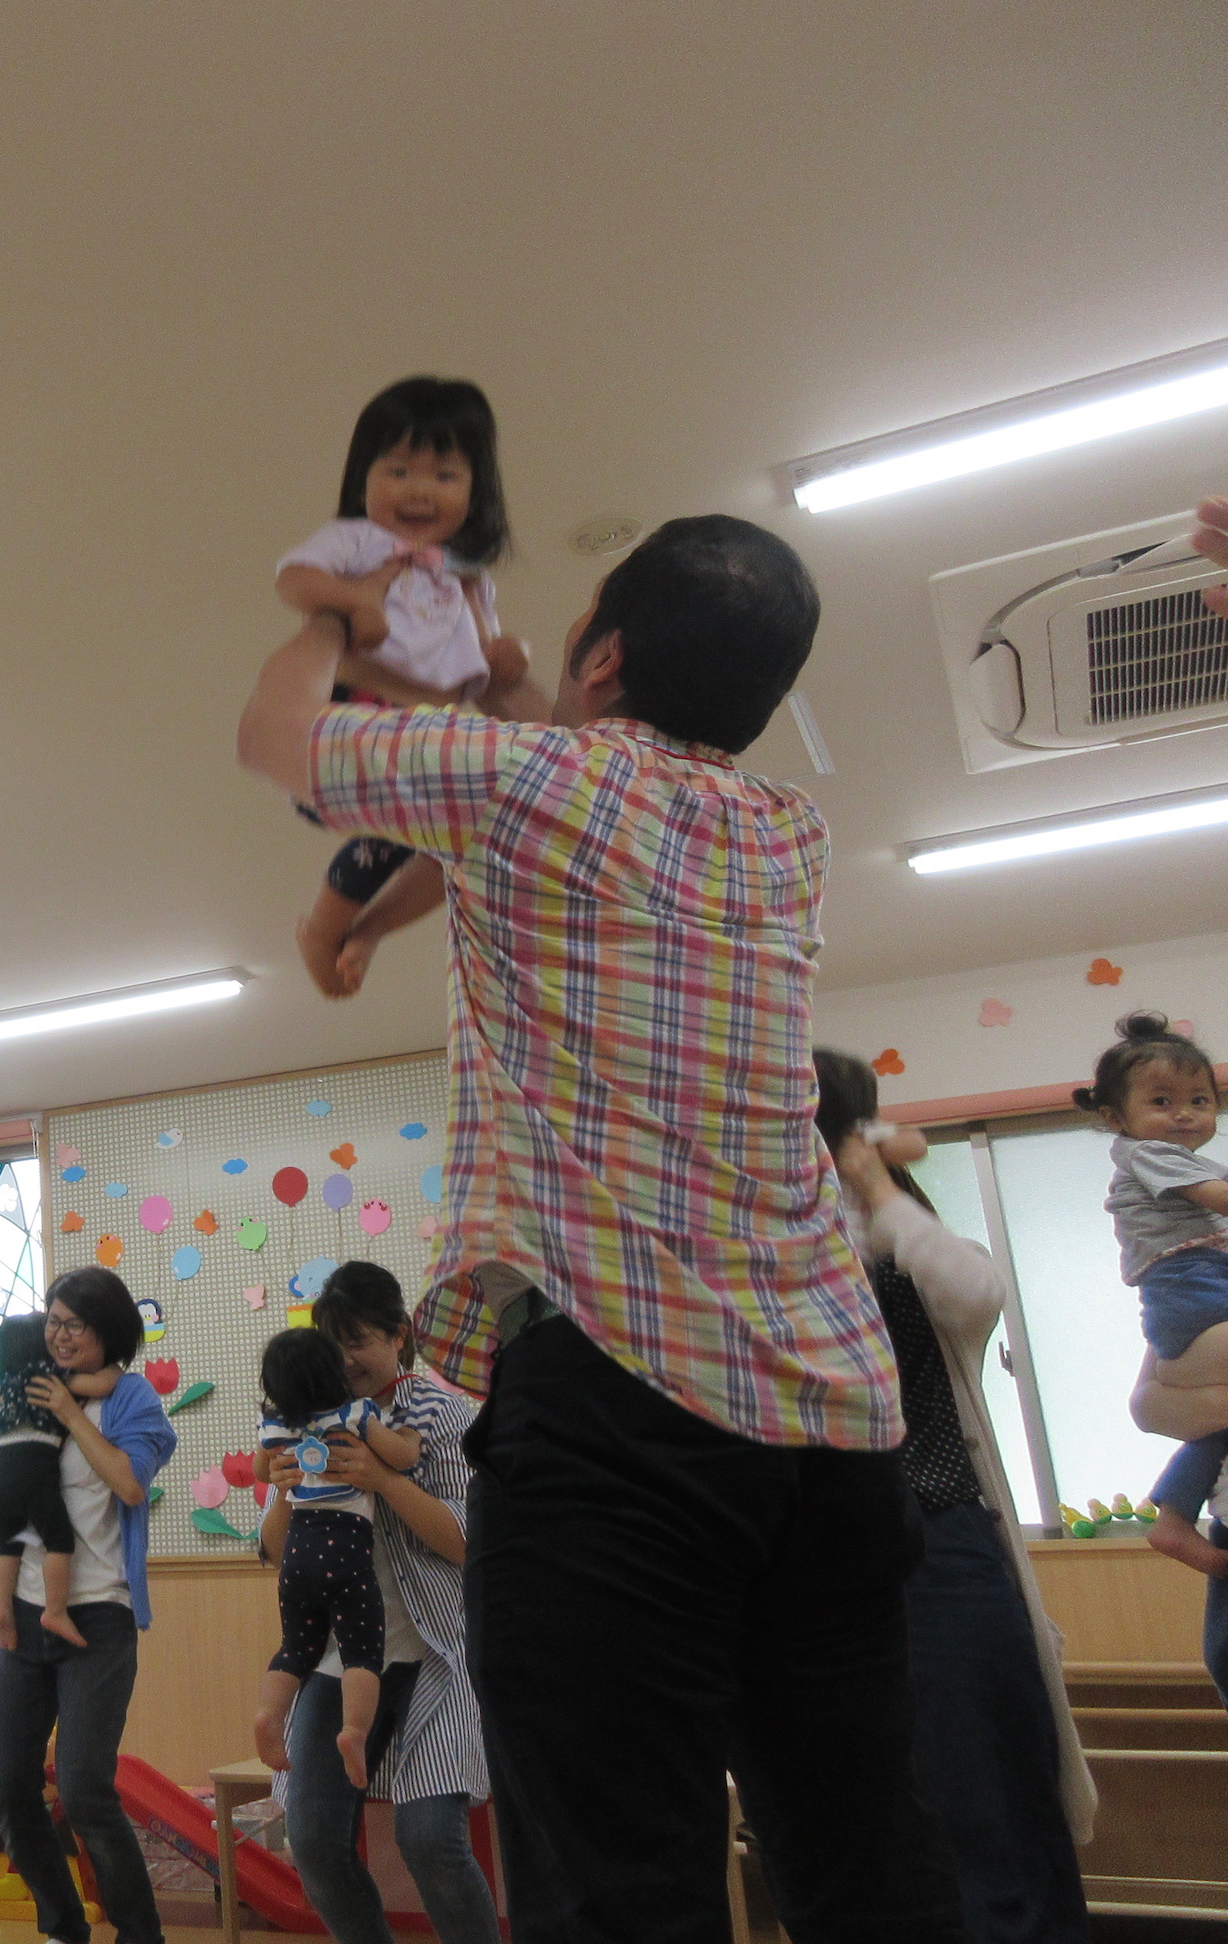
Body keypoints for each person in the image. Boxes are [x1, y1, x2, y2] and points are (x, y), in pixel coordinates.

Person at [238, 514, 967, 1941]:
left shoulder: (531, 781)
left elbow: (279, 740)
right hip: (833, 1424)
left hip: (629, 1416)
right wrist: (509, 681)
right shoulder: (785, 829)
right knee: (870, 1864)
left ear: (607, 654)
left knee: (618, 1888)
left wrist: (341, 613)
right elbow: (569, 783)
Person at [817, 1049, 1094, 1942]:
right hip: (842, 1556)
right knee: (933, 1809)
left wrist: (872, 1179)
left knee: (1006, 1784)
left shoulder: (904, 1242)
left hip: (947, 1539)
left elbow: (975, 1293)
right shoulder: (772, 1241)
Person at [273, 377, 546, 1000]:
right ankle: (323, 930)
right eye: (397, 470)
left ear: (475, 489)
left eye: (445, 476)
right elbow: (292, 580)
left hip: (422, 734)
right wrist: (351, 601)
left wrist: (509, 654)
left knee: (470, 834)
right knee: (415, 824)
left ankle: (366, 930)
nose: (419, 490)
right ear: (362, 478)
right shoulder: (356, 541)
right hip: (345, 723)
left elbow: (486, 662)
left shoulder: (467, 575)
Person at [260, 1265, 497, 1944]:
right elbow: (273, 1550)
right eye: (331, 1344)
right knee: (311, 1838)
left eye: (358, 1341)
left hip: (435, 1656)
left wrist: (380, 1477)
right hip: (341, 1659)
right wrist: (284, 1488)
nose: (343, 1360)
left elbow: (468, 1545)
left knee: (430, 1838)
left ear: (399, 1336)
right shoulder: (303, 1412)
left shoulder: (443, 1415)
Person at [0, 1268, 176, 1944]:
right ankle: (64, 1924)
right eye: (53, 1322)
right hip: (25, 1613)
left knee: (84, 1786)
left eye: (75, 1324)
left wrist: (71, 1414)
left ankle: (140, 1932)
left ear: (108, 1331)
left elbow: (129, 1484)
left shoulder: (130, 1399)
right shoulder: (28, 1385)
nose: (59, 1335)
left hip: (99, 1613)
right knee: (10, 1786)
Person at [1069, 1014, 1228, 1555]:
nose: (1184, 1113)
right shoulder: (1150, 1154)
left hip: (1197, 1288)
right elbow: (1152, 1405)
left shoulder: (1179, 1161)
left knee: (1217, 1423)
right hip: (1193, 1288)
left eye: (1199, 1101)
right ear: (1116, 1117)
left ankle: (1175, 1514)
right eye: (1162, 1102)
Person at [252, 1326, 419, 1785]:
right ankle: (354, 1732)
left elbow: (260, 1470)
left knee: (295, 1648)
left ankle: (269, 1715)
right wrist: (408, 1439)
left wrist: (278, 1459)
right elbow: (401, 1457)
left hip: (297, 1555)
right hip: (346, 1553)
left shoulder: (275, 1426)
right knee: (362, 1653)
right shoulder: (355, 1415)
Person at [0, 1309, 124, 1652]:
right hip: (33, 1470)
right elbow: (103, 1384)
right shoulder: (49, 1378)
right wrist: (115, 1368)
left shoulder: (0, 1389)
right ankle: (56, 1611)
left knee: (8, 1545)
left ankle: (1, 1607)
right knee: (59, 1542)